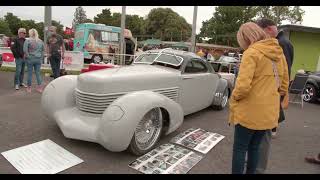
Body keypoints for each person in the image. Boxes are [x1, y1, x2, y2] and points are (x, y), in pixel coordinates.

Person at [229, 22, 289, 174]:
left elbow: (242, 87)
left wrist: (233, 98)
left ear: (246, 37)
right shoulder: (279, 53)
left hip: (249, 112)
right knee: (255, 148)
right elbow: (284, 86)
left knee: (240, 149)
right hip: (269, 113)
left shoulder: (252, 52)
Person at [255, 18, 294, 174]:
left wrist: (280, 93)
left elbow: (284, 70)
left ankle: (258, 168)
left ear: (269, 29)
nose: (260, 36)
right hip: (273, 92)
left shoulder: (281, 43)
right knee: (264, 132)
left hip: (272, 93)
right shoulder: (282, 41)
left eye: (261, 32)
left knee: (264, 135)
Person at [23, 28, 45, 93]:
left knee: (29, 73)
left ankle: (29, 88)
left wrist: (28, 56)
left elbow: (25, 50)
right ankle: (40, 88)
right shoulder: (40, 41)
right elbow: (43, 50)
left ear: (30, 33)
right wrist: (41, 57)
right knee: (38, 73)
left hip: (30, 58)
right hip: (38, 59)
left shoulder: (28, 40)